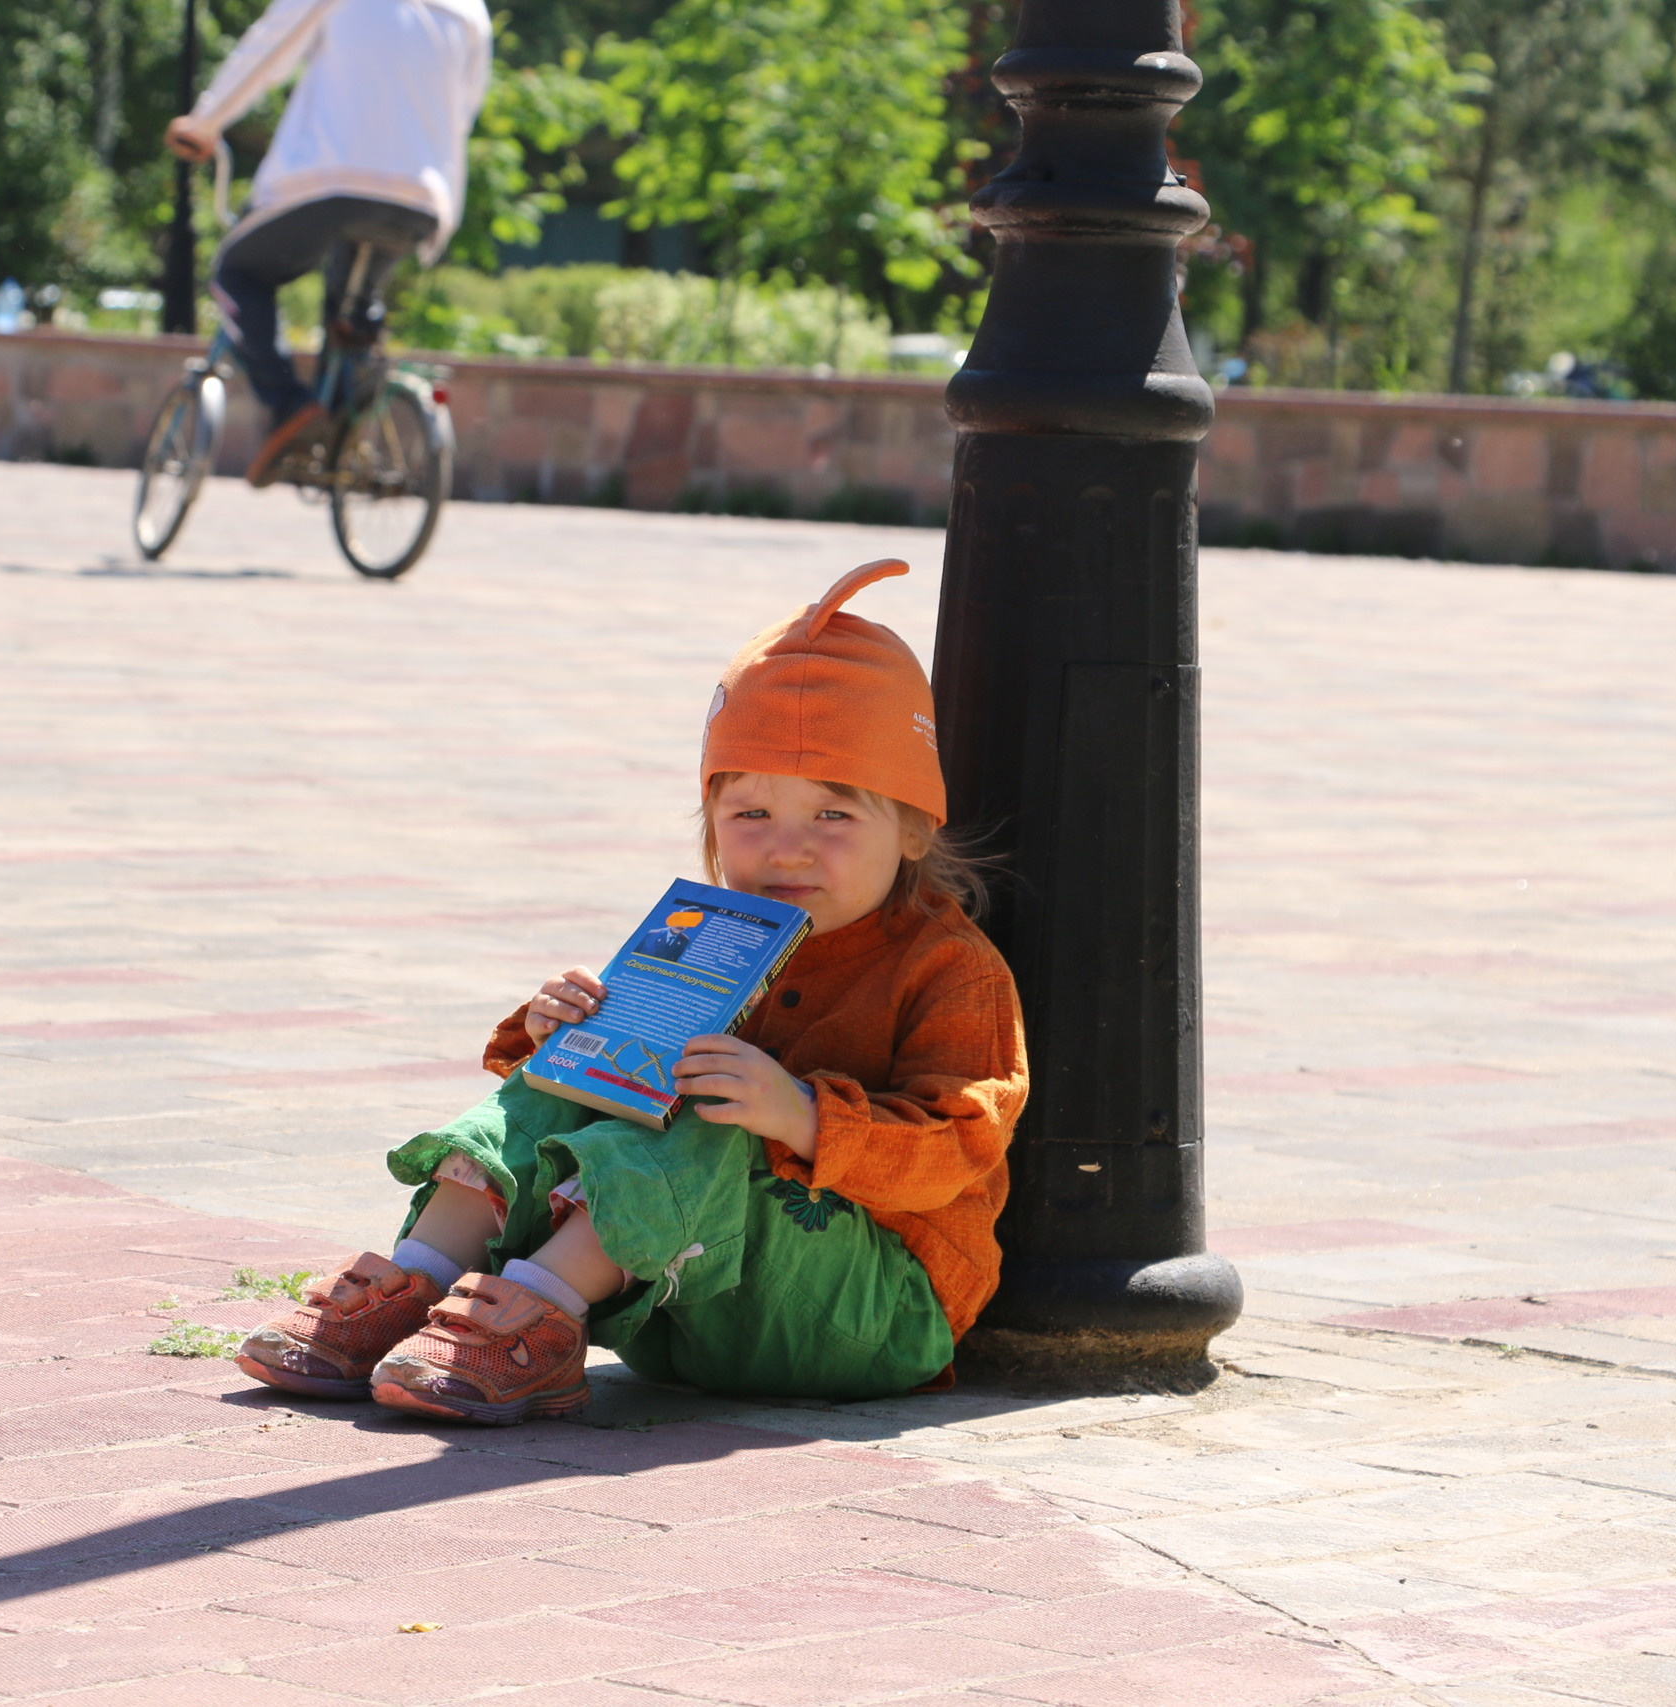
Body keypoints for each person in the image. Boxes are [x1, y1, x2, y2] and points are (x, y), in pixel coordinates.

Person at [237, 559, 1028, 1423]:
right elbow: (576, 1095)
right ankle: (419, 1281)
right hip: (672, 1307)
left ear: (913, 825)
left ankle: (533, 1311)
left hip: (868, 1316)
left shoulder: (951, 967)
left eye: (833, 816)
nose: (787, 848)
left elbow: (962, 1147)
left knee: (716, 1109)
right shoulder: (710, 932)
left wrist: (799, 1112)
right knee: (571, 1073)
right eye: (750, 815)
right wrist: (557, 1031)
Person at [164, 0, 491, 487]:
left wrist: (206, 121)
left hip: (331, 178)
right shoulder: (469, 10)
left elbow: (269, 47)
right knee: (352, 308)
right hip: (423, 196)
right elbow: (465, 107)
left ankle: (290, 407)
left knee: (237, 271)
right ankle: (339, 437)